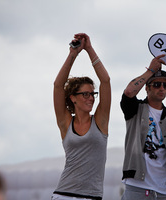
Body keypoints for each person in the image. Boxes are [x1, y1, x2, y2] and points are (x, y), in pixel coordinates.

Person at [52, 33, 111, 200]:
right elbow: (58, 86)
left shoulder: (100, 121)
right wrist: (73, 54)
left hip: (91, 196)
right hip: (63, 194)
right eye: (85, 94)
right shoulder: (65, 123)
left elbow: (105, 81)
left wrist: (89, 49)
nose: (91, 98)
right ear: (73, 98)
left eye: (93, 94)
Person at [120, 54, 166, 200]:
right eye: (157, 84)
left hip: (164, 193)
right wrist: (151, 70)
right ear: (147, 88)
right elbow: (129, 92)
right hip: (137, 188)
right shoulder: (134, 110)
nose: (162, 88)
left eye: (165, 85)